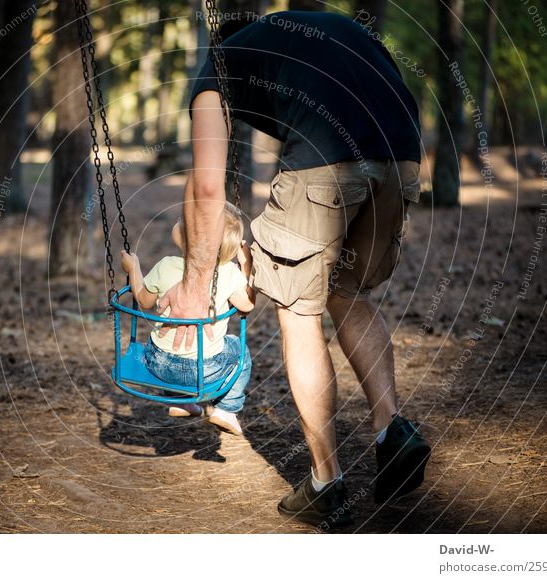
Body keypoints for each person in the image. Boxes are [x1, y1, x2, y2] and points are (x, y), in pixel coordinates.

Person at [164, 10, 431, 528]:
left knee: (297, 308)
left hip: (328, 159)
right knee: (347, 291)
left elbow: (206, 188)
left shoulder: (216, 65)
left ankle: (324, 482)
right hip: (401, 152)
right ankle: (391, 431)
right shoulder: (307, 34)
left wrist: (197, 285)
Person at [120, 203, 255, 436]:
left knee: (171, 350)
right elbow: (247, 305)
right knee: (241, 354)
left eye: (183, 220)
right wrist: (246, 267)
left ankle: (180, 401)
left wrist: (134, 269)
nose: (179, 220)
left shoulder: (165, 266)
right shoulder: (230, 273)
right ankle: (226, 409)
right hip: (207, 368)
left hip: (159, 364)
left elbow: (143, 300)